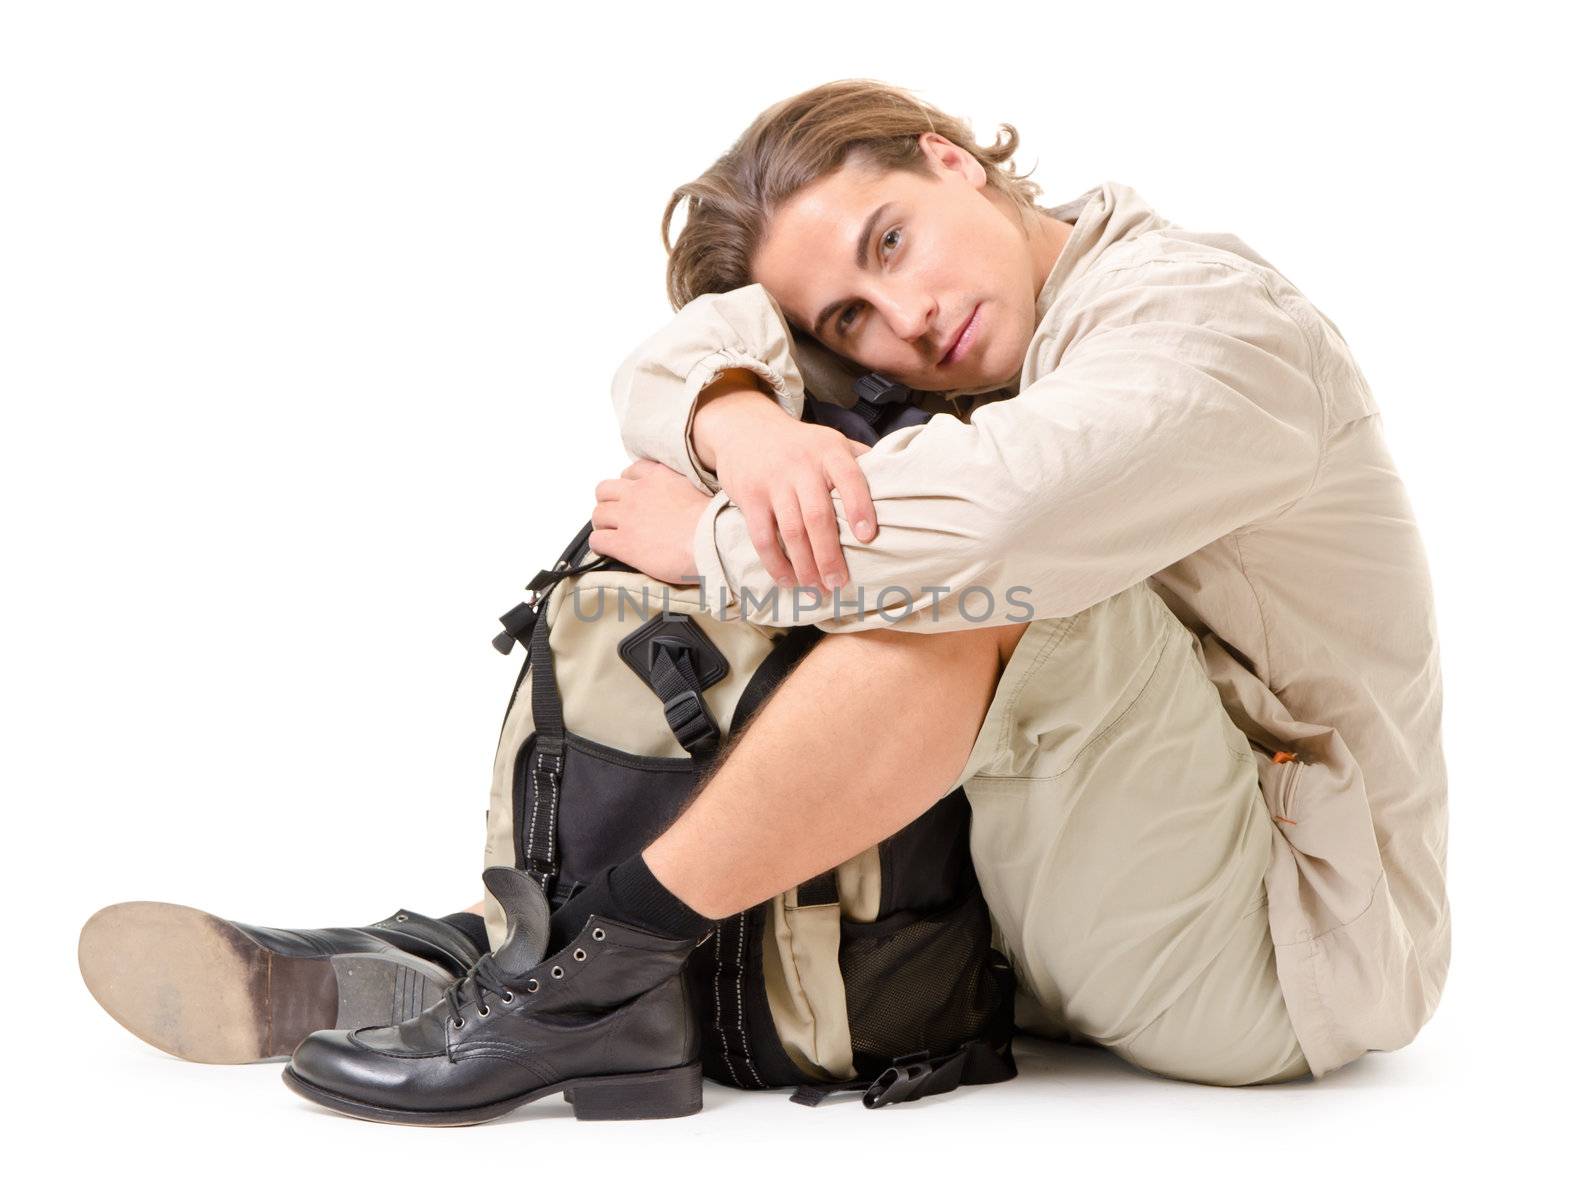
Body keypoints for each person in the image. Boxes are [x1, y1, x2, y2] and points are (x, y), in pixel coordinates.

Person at [79, 78, 1450, 1122]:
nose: (899, 319)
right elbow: (673, 361)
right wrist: (743, 424)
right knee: (873, 492)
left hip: (1287, 941)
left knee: (981, 583)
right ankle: (537, 943)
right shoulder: (993, 337)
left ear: (952, 156)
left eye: (893, 243)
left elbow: (1000, 524)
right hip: (1071, 912)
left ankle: (597, 960)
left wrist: (717, 537)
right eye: (845, 317)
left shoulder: (1208, 325)